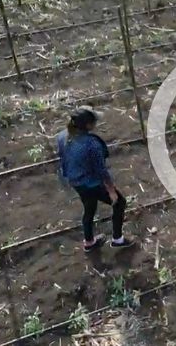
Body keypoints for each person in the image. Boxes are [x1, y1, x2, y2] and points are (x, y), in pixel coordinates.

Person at [56, 107, 133, 252]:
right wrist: (111, 191)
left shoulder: (62, 136)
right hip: (91, 183)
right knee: (119, 203)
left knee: (89, 208)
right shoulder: (92, 144)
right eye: (94, 121)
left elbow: (62, 156)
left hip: (75, 181)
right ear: (88, 126)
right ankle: (117, 239)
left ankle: (89, 242)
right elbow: (101, 170)